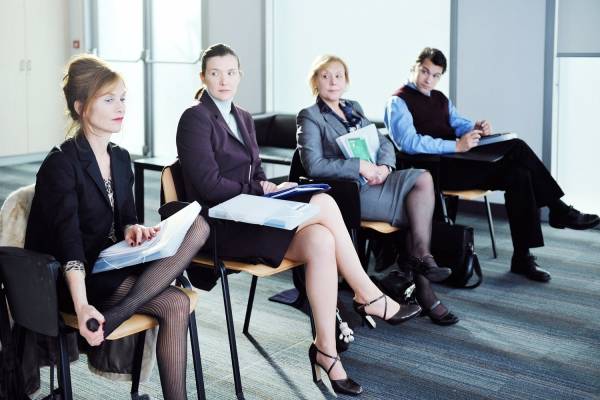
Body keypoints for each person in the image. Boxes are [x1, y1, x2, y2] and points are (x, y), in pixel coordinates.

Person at [177, 43, 421, 396]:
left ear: (240, 75)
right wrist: (260, 188)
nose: (224, 80)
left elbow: (256, 172)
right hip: (221, 225)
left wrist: (274, 187)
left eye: (231, 72)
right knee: (322, 202)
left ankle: (326, 350)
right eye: (215, 73)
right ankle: (367, 292)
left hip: (251, 212)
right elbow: (208, 186)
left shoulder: (243, 116)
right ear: (203, 77)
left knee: (321, 239)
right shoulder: (195, 118)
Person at [25, 55, 210, 400]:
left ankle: (115, 316)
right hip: (75, 278)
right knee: (175, 304)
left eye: (123, 97)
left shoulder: (121, 158)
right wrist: (81, 306)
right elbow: (69, 245)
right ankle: (113, 318)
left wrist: (132, 229)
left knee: (198, 226)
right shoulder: (61, 164)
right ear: (81, 106)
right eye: (108, 99)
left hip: (113, 262)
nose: (120, 107)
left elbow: (125, 214)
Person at [384, 47, 600, 283]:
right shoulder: (398, 101)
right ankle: (559, 210)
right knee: (516, 147)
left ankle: (522, 256)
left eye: (435, 75)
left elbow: (457, 123)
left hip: (457, 164)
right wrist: (455, 146)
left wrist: (475, 128)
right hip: (431, 173)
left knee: (519, 174)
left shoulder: (440, 98)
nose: (429, 79)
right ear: (414, 68)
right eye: (424, 71)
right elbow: (408, 142)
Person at [296, 54, 458, 327]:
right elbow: (314, 165)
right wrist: (358, 166)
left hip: (379, 180)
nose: (333, 81)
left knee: (423, 179)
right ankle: (423, 285)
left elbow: (382, 142)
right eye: (325, 76)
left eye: (338, 75)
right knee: (416, 210)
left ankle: (420, 259)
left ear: (346, 81)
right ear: (315, 82)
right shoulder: (310, 116)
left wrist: (384, 167)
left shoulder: (353, 107)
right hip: (349, 193)